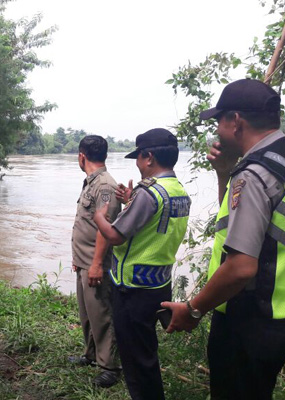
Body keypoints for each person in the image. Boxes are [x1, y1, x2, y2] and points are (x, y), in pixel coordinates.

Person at [162, 79, 285, 400]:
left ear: (236, 121)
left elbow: (241, 268)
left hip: (249, 323)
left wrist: (193, 310)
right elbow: (243, 226)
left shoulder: (254, 174)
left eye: (219, 120)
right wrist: (225, 173)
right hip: (281, 320)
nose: (217, 129)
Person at [93, 128, 191, 400]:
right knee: (146, 350)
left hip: (133, 288)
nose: (137, 164)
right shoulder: (178, 190)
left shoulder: (148, 193)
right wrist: (130, 202)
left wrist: (99, 216)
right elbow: (157, 223)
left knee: (136, 359)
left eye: (138, 157)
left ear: (149, 158)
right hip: (158, 284)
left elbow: (114, 234)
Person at [69, 135, 122, 388]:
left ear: (81, 156)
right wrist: (78, 259)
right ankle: (90, 355)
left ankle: (109, 366)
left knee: (101, 313)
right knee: (87, 313)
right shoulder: (91, 182)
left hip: (95, 262)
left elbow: (105, 228)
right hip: (84, 260)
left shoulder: (105, 186)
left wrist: (97, 264)